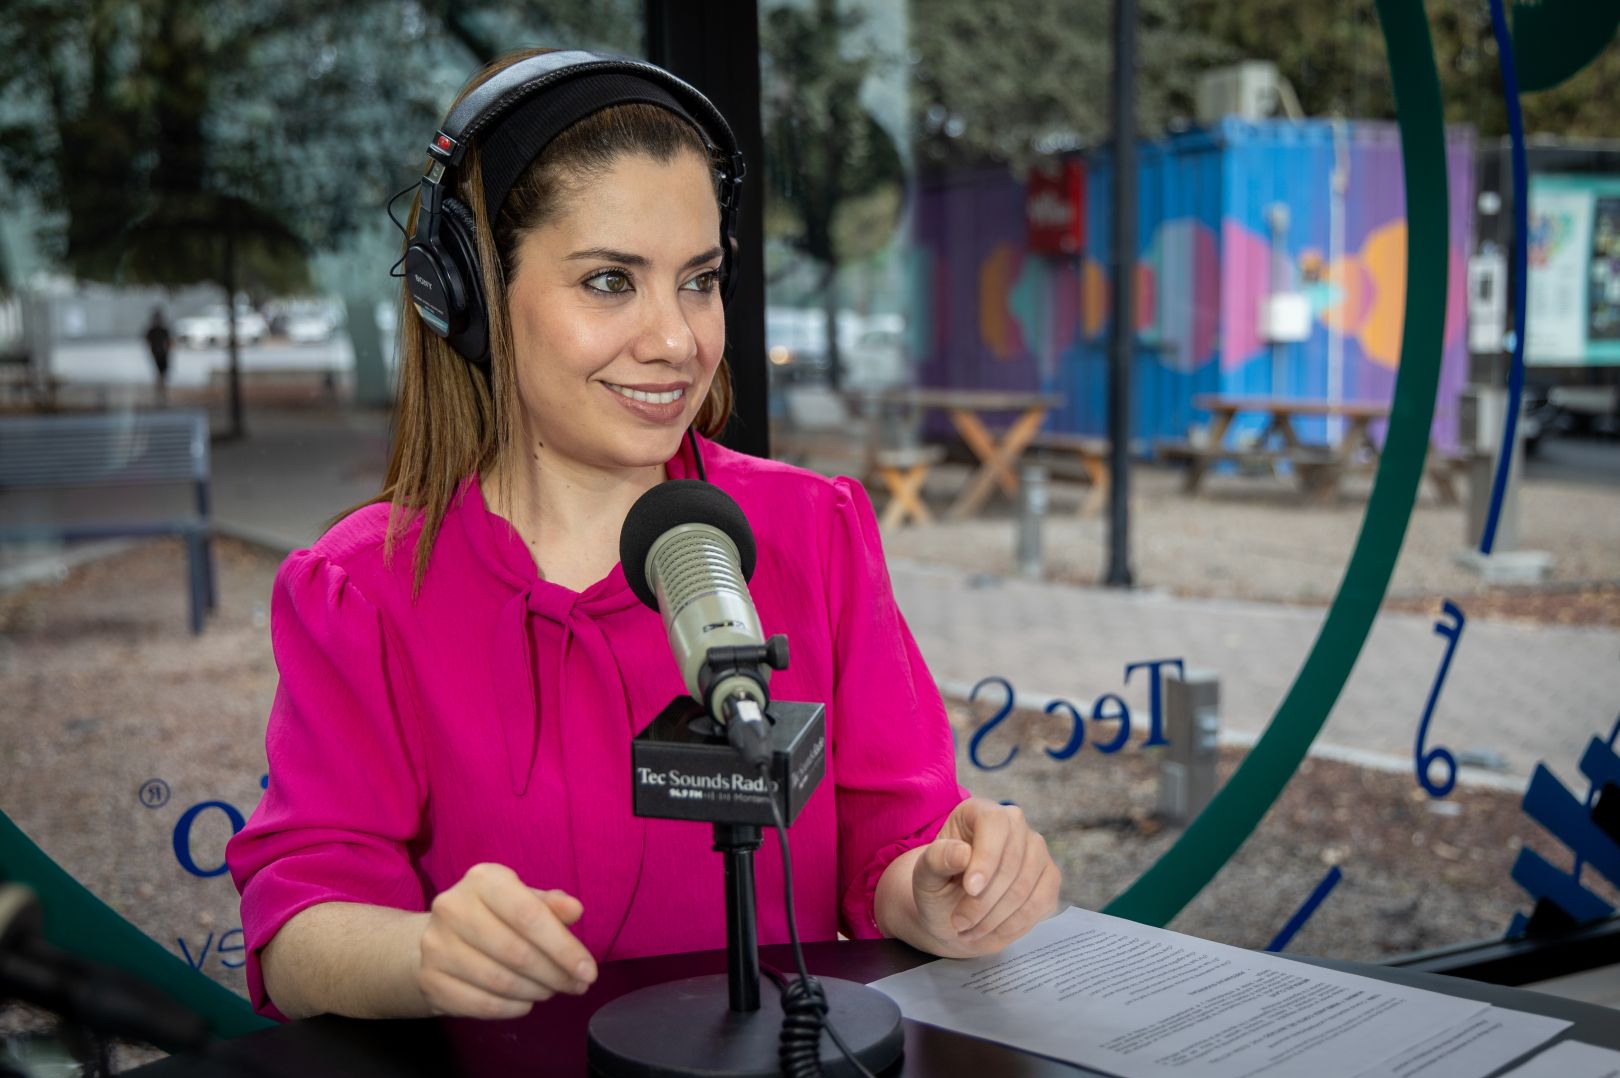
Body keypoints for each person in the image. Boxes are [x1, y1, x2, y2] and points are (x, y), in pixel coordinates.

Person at [225, 48, 1060, 1027]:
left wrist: (936, 890)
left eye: (698, 281)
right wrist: (419, 955)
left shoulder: (812, 529)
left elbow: (894, 835)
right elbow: (297, 933)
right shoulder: (362, 589)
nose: (678, 339)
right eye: (612, 281)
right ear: (469, 293)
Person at [144, 307, 171, 405]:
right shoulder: (154, 330)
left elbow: (168, 342)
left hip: (162, 354)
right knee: (160, 375)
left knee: (162, 375)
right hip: (157, 354)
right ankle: (160, 394)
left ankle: (161, 394)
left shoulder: (160, 329)